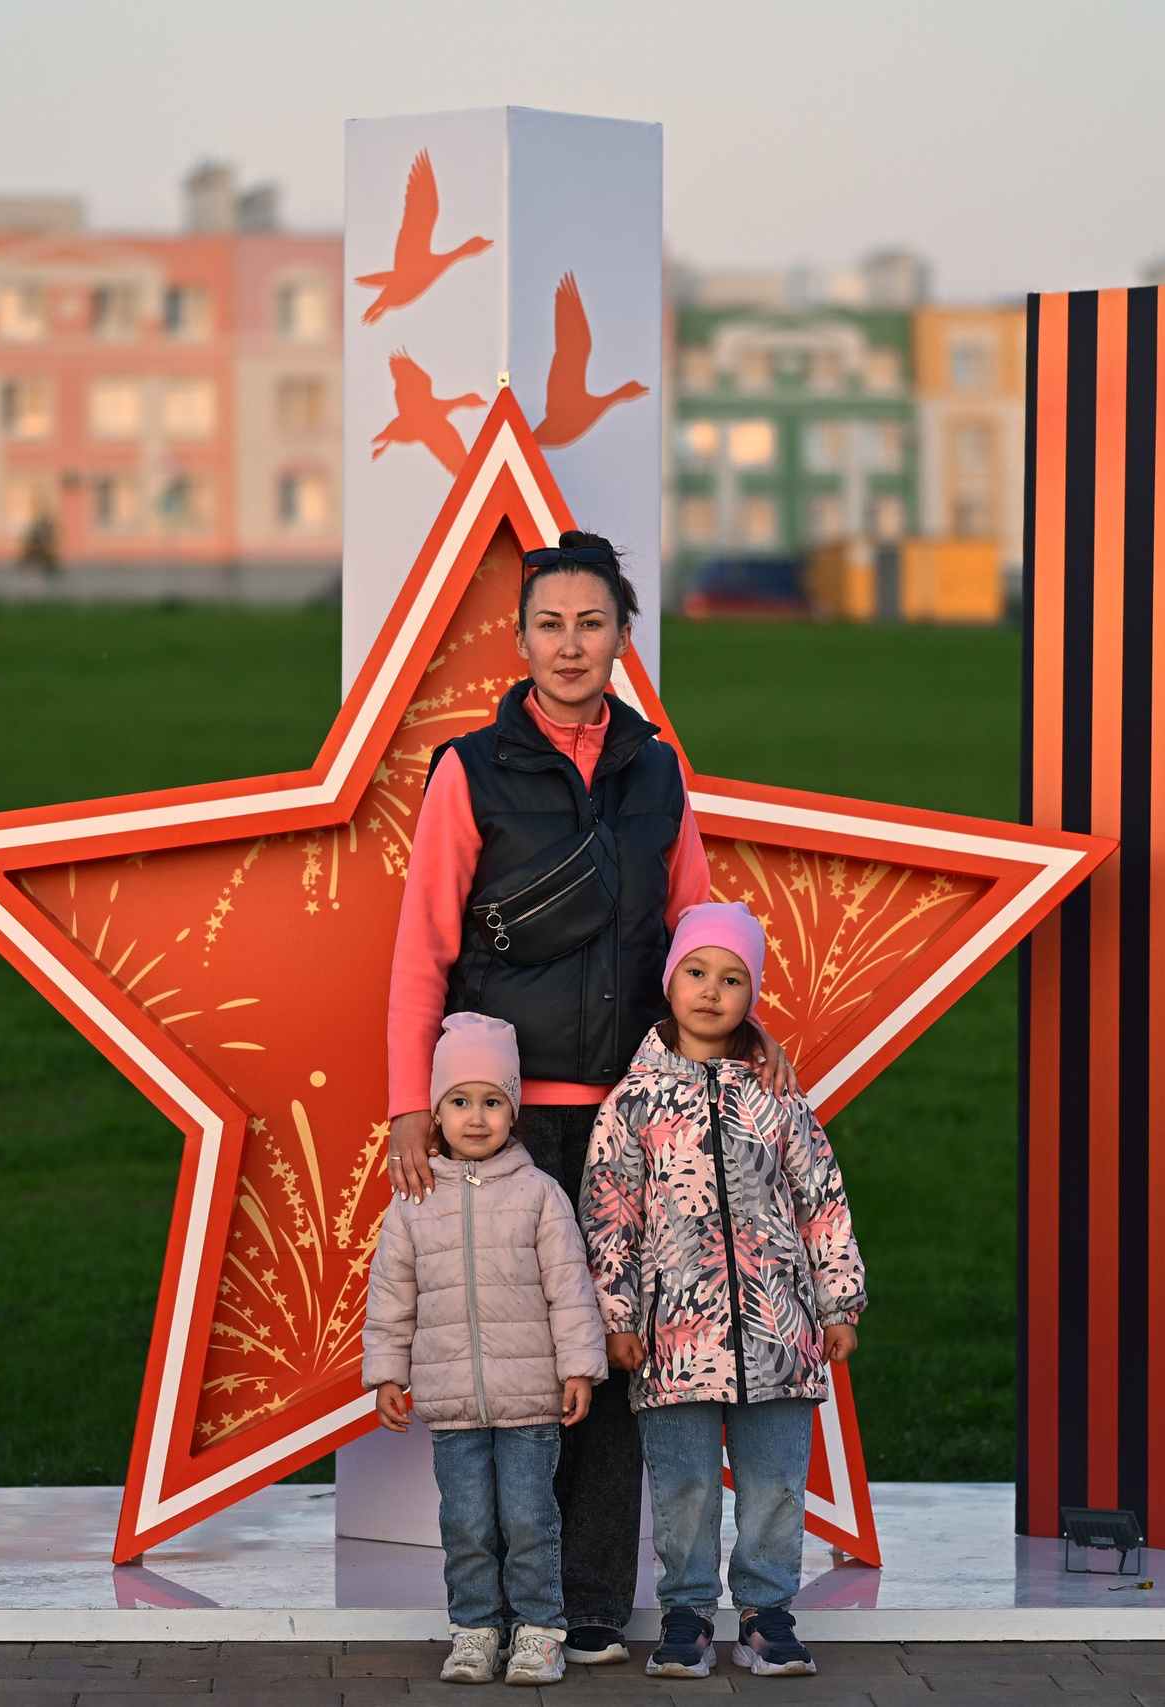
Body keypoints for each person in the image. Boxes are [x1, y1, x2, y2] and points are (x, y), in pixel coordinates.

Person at [384, 530, 795, 1662]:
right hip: (505, 1127)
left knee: (614, 1357)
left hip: (636, 1116)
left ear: (622, 637)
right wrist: (411, 1103)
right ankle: (501, 1606)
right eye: (549, 624)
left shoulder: (657, 770)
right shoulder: (470, 771)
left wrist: (742, 1038)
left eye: (593, 623)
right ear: (519, 640)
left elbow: (697, 935)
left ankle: (593, 1604)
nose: (570, 645)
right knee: (520, 1357)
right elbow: (423, 948)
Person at [582, 902, 867, 1680]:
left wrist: (838, 1301)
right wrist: (618, 1316)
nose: (711, 990)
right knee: (686, 1487)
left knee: (775, 1484)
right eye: (697, 972)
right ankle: (688, 1614)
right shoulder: (632, 1103)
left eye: (733, 978)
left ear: (753, 993)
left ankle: (767, 1615)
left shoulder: (777, 1097)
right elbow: (609, 1216)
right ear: (670, 980)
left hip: (780, 1338)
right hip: (673, 1344)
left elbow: (821, 1200)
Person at [363, 1013, 607, 1686]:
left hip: (530, 1400)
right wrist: (387, 1374)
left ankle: (539, 1631)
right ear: (436, 1113)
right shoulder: (413, 1204)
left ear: (514, 1111)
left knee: (529, 1518)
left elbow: (570, 1288)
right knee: (467, 1521)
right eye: (460, 1101)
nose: (476, 1117)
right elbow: (392, 1296)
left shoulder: (539, 1195)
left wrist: (579, 1367)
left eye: (493, 1101)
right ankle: (474, 1630)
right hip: (451, 1403)